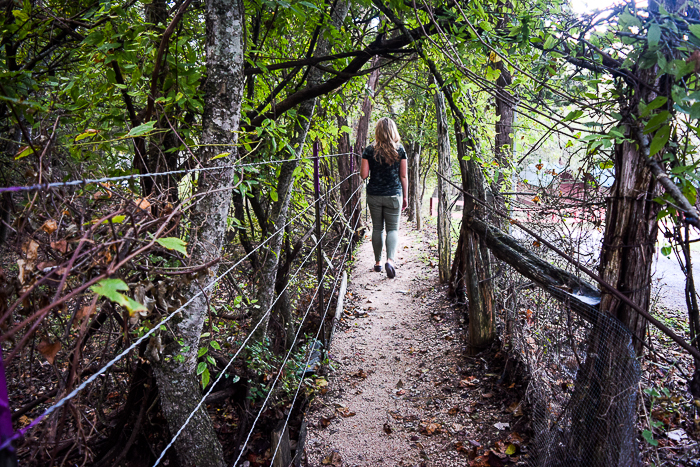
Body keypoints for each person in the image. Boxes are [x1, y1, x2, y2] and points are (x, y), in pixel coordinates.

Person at [360, 117, 408, 279]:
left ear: (378, 131)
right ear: (393, 131)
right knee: (392, 229)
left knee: (378, 228)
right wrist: (406, 196)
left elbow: (364, 175)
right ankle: (390, 261)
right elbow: (403, 176)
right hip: (394, 195)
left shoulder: (368, 150)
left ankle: (378, 263)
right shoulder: (400, 150)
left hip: (374, 194)